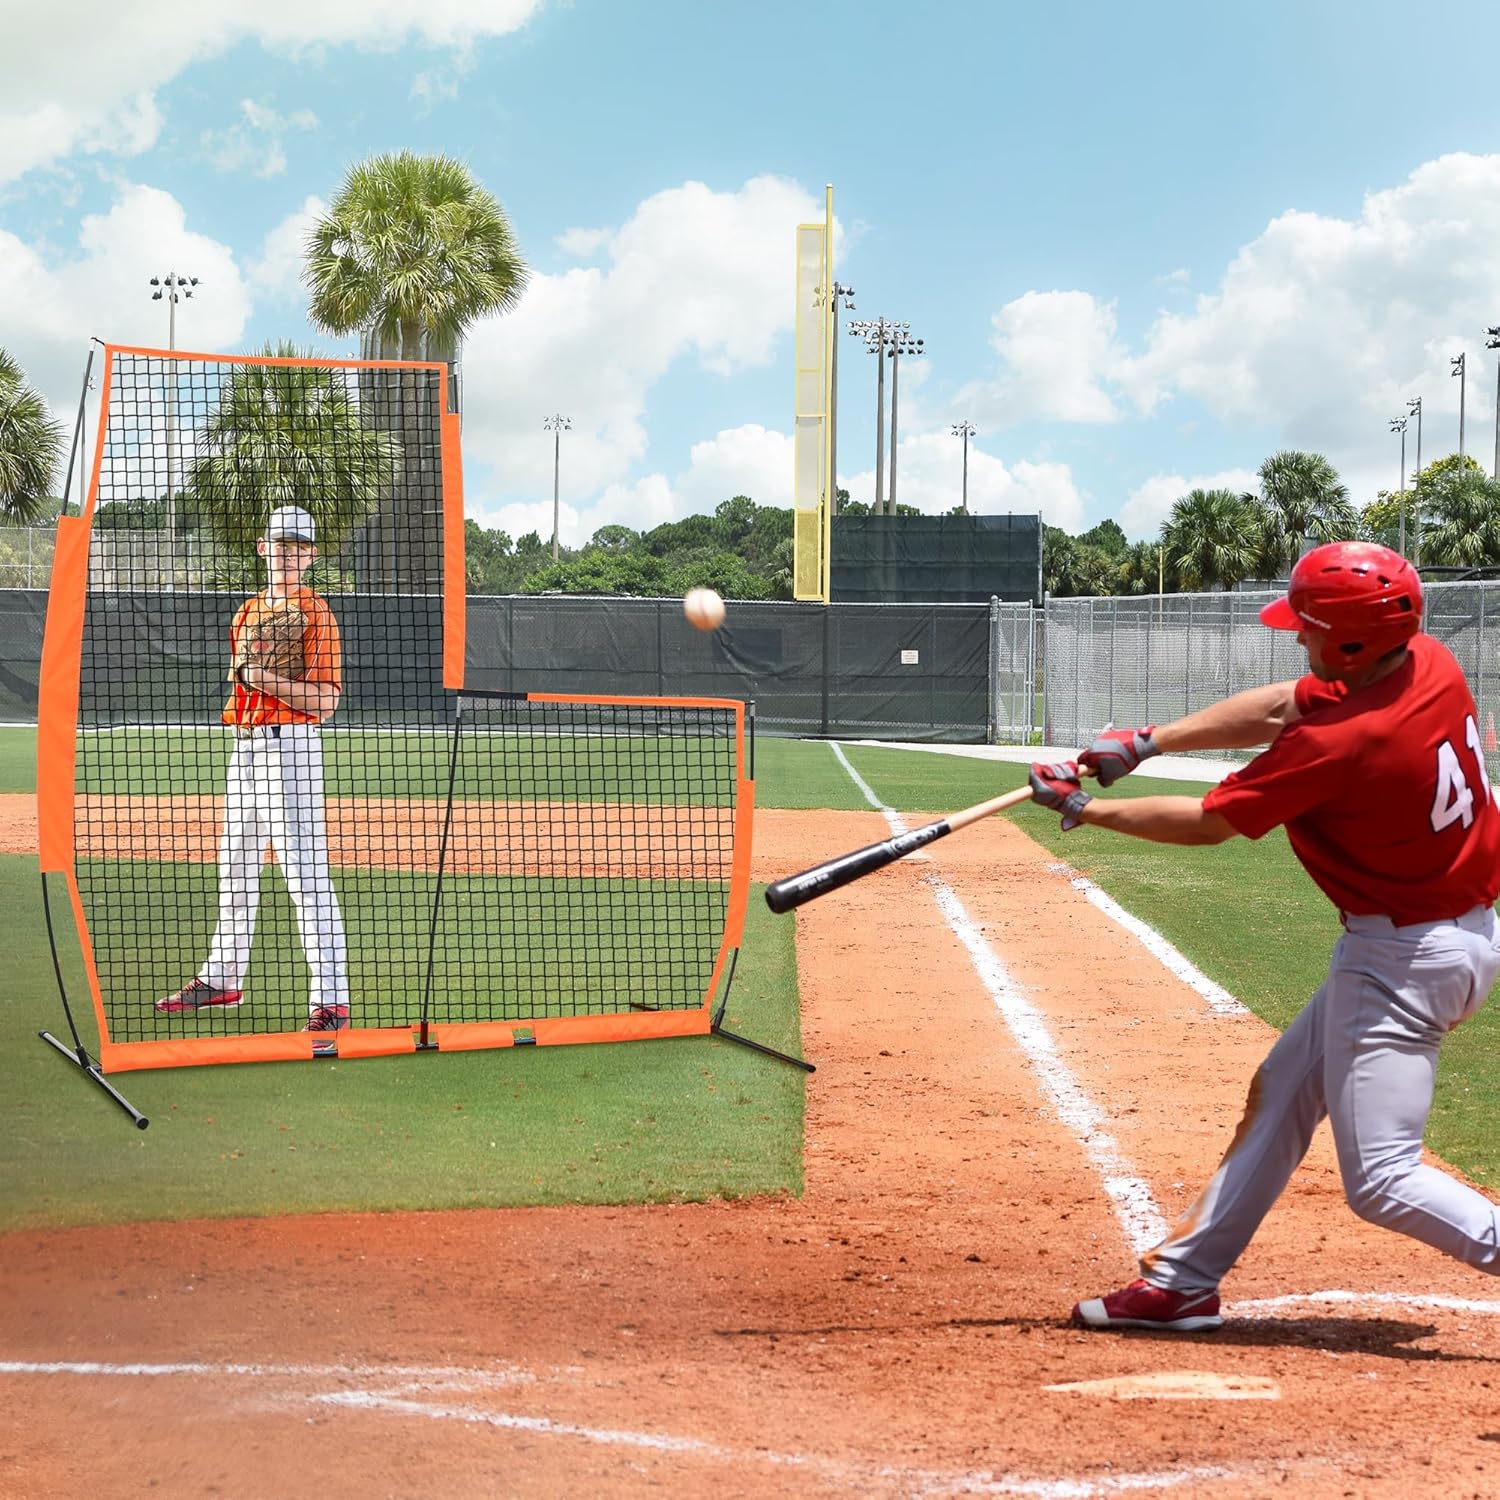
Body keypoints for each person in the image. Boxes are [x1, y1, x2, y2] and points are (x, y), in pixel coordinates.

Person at [1028, 540, 1500, 1332]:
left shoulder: (1345, 743)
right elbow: (1288, 699)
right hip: (1441, 936)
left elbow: (1210, 824)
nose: (1297, 636)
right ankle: (1185, 1281)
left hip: (1403, 958)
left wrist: (1082, 810)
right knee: (1281, 1094)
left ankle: (1185, 1279)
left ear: (1351, 642)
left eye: (1310, 626)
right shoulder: (1427, 664)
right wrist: (1148, 743)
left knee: (1381, 1178)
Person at [156, 504, 351, 1034]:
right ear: (264, 549)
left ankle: (331, 1000)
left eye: (299, 547)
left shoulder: (317, 614)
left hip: (291, 748)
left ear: (311, 556)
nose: (288, 555)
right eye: (280, 545)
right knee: (235, 865)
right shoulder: (245, 612)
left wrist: (267, 680)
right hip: (245, 746)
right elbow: (244, 682)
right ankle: (223, 977)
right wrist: (255, 678)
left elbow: (326, 703)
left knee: (304, 872)